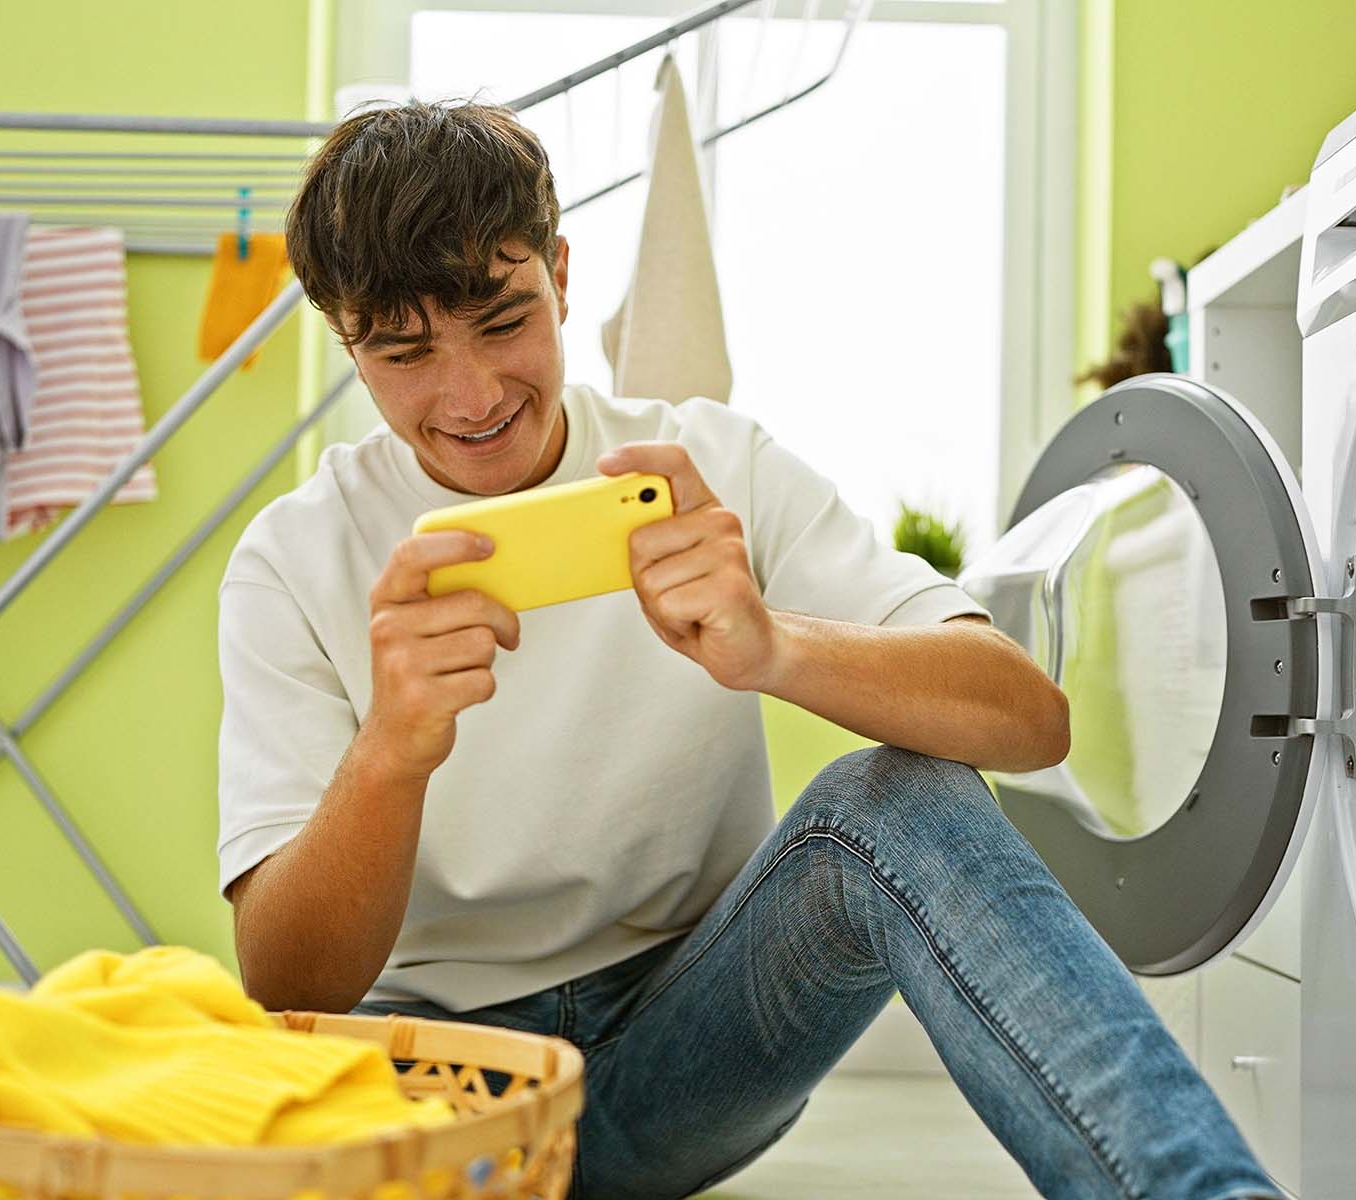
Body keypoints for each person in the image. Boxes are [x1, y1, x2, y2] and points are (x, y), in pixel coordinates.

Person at [215, 101, 1280, 1200]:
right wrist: (391, 750)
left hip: (697, 1045)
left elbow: (1025, 719)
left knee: (893, 795)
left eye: (502, 319)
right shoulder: (293, 560)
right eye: (403, 351)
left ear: (563, 276)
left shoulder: (711, 464)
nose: (473, 395)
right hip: (441, 1091)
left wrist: (772, 649)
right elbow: (287, 979)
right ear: (346, 341)